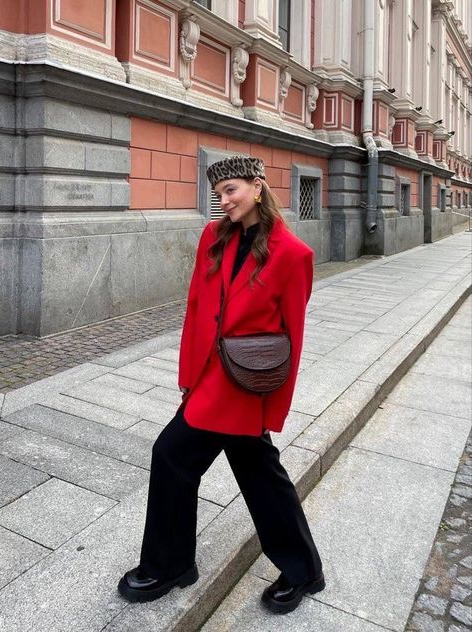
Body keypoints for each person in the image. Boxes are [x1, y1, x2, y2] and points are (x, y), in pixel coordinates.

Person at [118, 155, 325, 615]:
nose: (224, 201)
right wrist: (188, 378)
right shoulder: (213, 237)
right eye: (218, 194)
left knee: (173, 455)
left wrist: (275, 409)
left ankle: (170, 565)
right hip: (210, 379)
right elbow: (196, 308)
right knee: (257, 475)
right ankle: (302, 570)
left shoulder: (293, 255)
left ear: (257, 187)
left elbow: (292, 338)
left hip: (246, 387)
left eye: (231, 190)